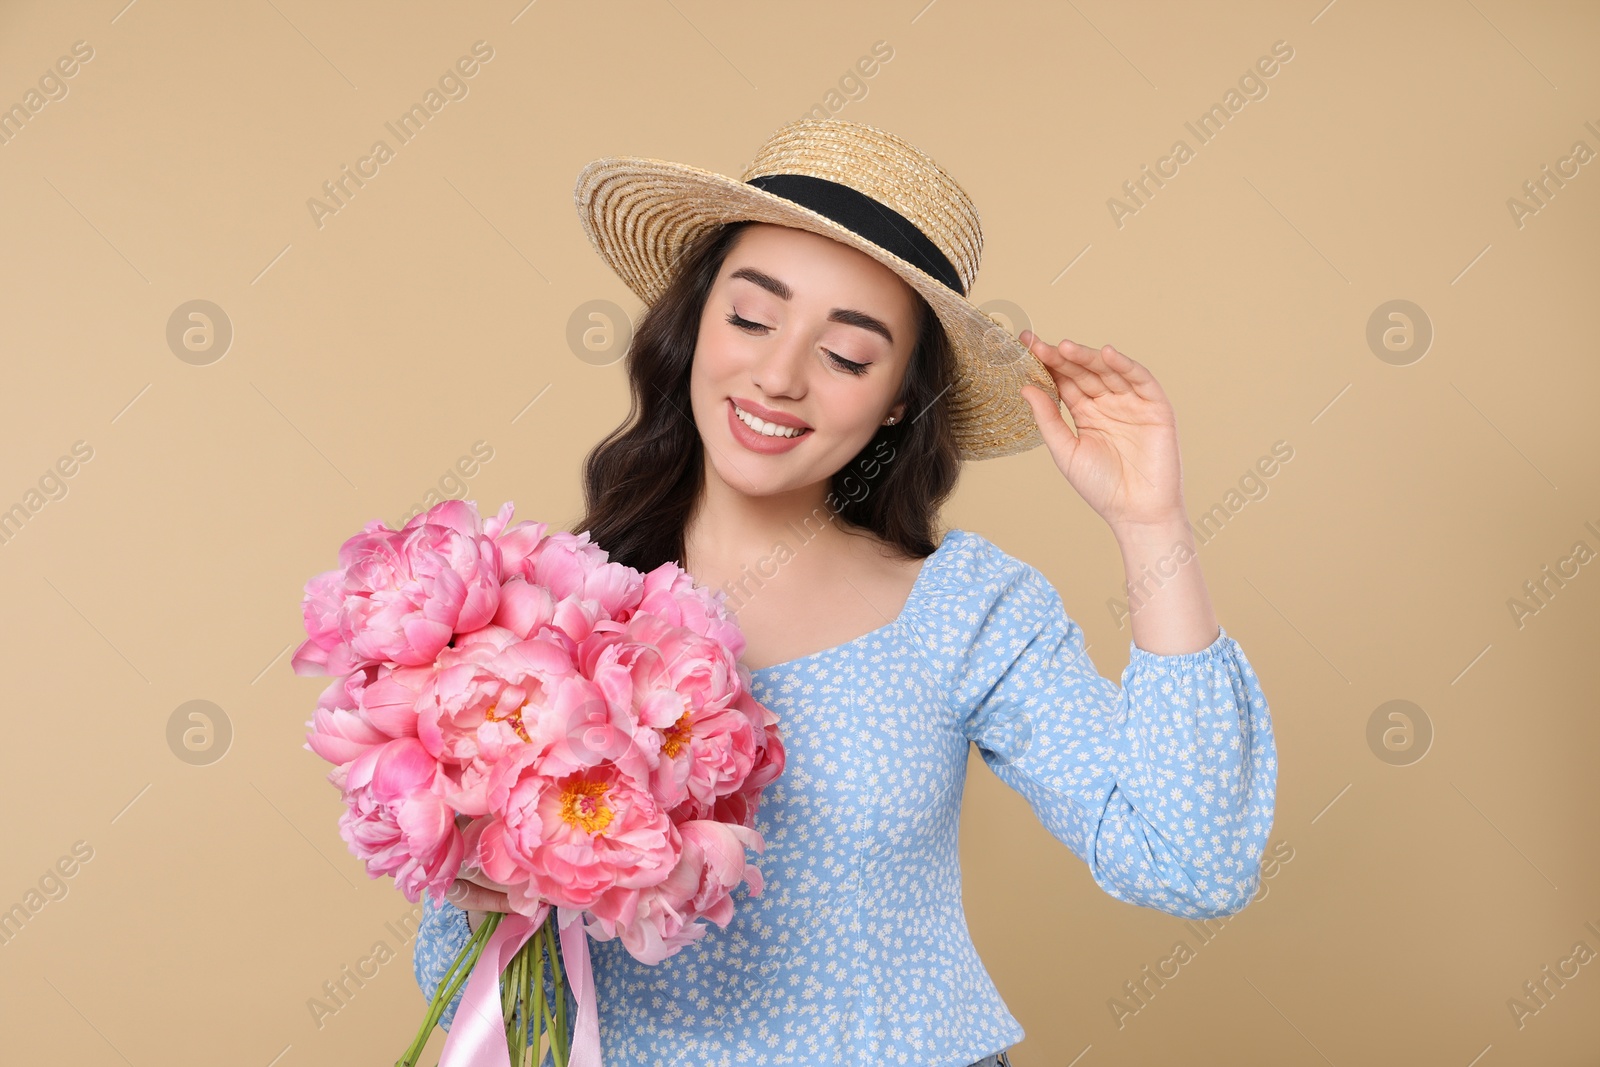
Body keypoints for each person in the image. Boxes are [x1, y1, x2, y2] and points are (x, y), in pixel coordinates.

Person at [412, 118, 1278, 1067]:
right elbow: (467, 984)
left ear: (900, 396)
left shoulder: (967, 609)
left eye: (849, 354)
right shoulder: (550, 611)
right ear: (694, 323)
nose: (778, 376)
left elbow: (1192, 860)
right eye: (750, 318)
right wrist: (476, 863)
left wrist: (1150, 525)